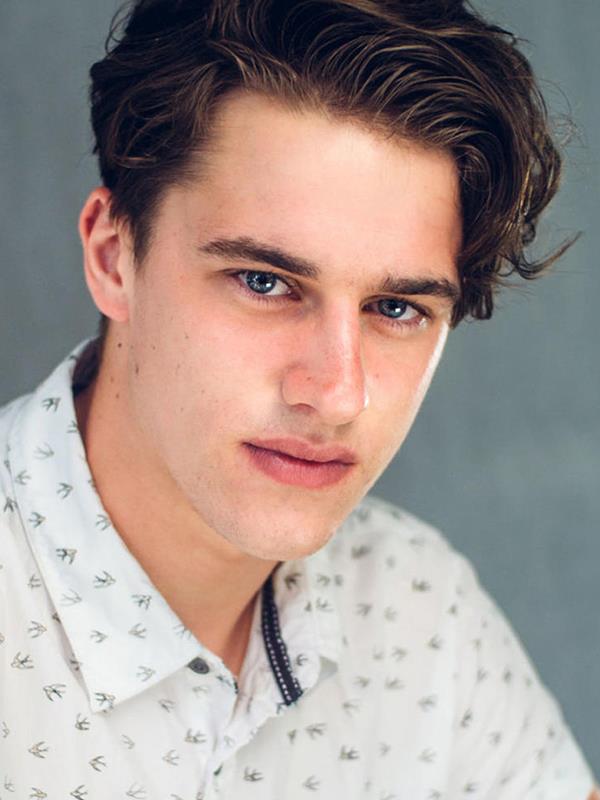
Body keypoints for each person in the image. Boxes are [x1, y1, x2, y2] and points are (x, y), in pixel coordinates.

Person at [0, 0, 596, 796]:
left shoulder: (417, 606)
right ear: (114, 257)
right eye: (263, 282)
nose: (337, 394)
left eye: (396, 308)